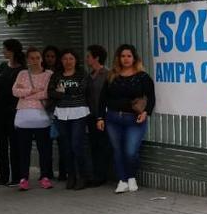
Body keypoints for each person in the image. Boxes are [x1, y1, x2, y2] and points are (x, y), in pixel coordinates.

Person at [97, 44, 155, 194]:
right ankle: (122, 180)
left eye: (129, 56)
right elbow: (103, 99)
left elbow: (151, 97)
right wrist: (100, 118)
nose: (126, 59)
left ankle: (131, 177)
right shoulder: (111, 76)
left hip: (134, 120)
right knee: (117, 150)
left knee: (130, 151)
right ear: (118, 58)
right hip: (113, 119)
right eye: (123, 56)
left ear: (134, 58)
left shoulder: (143, 76)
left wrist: (146, 112)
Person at [48, 49, 92, 190]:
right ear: (61, 61)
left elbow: (82, 90)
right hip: (61, 114)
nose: (68, 61)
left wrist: (64, 91)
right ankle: (70, 175)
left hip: (79, 113)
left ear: (76, 60)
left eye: (71, 58)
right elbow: (51, 92)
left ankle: (82, 176)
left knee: (76, 145)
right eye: (65, 59)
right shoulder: (56, 75)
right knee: (65, 147)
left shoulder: (82, 74)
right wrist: (64, 94)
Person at [12, 47, 54, 191]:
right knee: (24, 150)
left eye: (37, 58)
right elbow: (14, 91)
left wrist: (26, 94)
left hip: (42, 117)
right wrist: (32, 91)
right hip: (24, 117)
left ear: (41, 59)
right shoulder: (22, 73)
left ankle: (45, 176)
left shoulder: (49, 74)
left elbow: (48, 93)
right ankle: (24, 178)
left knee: (45, 150)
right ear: (27, 60)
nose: (35, 61)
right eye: (31, 58)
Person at [0, 39, 25, 186]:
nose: (2, 51)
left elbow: (16, 92)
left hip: (14, 111)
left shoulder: (22, 70)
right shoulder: (3, 66)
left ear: (12, 50)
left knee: (15, 145)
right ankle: (3, 175)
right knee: (1, 145)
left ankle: (16, 176)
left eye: (4, 49)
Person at [85, 45, 110, 185]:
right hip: (90, 115)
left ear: (96, 58)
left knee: (102, 145)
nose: (86, 59)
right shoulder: (89, 76)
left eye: (89, 56)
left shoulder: (107, 74)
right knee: (93, 145)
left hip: (103, 115)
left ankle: (101, 175)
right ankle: (94, 173)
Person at [42, 45, 66, 181]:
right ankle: (47, 172)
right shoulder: (41, 72)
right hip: (45, 111)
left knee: (62, 142)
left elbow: (61, 92)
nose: (50, 59)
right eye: (47, 56)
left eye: (52, 56)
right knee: (46, 144)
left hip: (60, 110)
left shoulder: (61, 73)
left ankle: (63, 172)